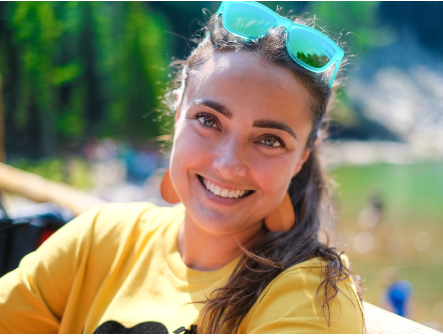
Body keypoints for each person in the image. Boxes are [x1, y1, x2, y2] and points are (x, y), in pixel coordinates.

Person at [0, 1, 365, 333]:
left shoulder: (312, 299)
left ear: (302, 155)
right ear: (177, 113)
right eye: (208, 120)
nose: (228, 164)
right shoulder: (101, 239)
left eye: (269, 140)